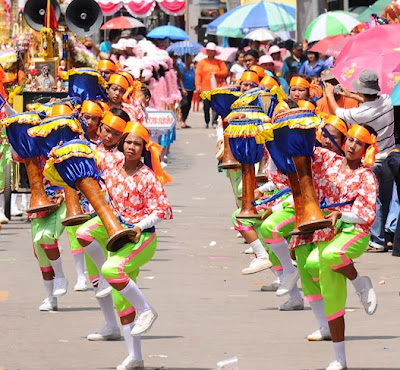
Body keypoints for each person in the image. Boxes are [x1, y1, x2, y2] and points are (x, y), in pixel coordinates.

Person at [77, 121, 172, 369]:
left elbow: (163, 210)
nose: (131, 147)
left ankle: (147, 310)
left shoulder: (148, 177)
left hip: (141, 237)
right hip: (115, 231)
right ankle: (136, 357)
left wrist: (140, 225)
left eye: (137, 144)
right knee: (84, 232)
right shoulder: (111, 169)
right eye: (128, 142)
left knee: (111, 271)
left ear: (143, 149)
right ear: (122, 144)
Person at [325, 70, 396, 251]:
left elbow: (337, 112)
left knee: (375, 200)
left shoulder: (360, 114)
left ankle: (377, 240)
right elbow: (372, 101)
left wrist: (328, 94)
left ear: (362, 91)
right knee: (387, 198)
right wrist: (350, 94)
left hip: (374, 160)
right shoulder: (388, 100)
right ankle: (387, 236)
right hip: (390, 156)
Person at [195, 42, 228, 128]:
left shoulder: (220, 62)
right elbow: (198, 74)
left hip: (217, 88)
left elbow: (225, 72)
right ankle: (207, 121)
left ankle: (214, 121)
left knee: (216, 106)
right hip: (205, 89)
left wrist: (217, 73)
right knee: (206, 106)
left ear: (215, 52)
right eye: (209, 51)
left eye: (212, 51)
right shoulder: (202, 62)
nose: (210, 52)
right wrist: (198, 85)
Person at [178, 54, 195, 128]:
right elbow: (180, 78)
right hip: (183, 89)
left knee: (188, 106)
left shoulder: (191, 68)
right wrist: (183, 88)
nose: (191, 60)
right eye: (189, 58)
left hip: (191, 89)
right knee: (184, 104)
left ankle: (184, 121)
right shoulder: (182, 67)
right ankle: (181, 120)